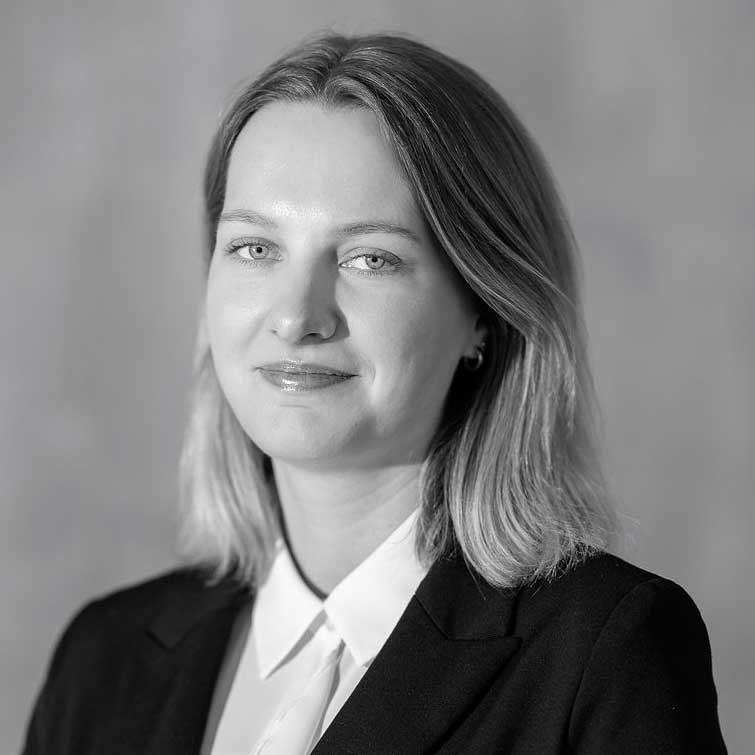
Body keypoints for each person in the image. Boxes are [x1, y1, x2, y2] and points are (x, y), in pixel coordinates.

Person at [22, 33, 726, 754]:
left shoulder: (602, 654)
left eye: (370, 258)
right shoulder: (102, 662)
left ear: (484, 314)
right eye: (255, 248)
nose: (297, 317)